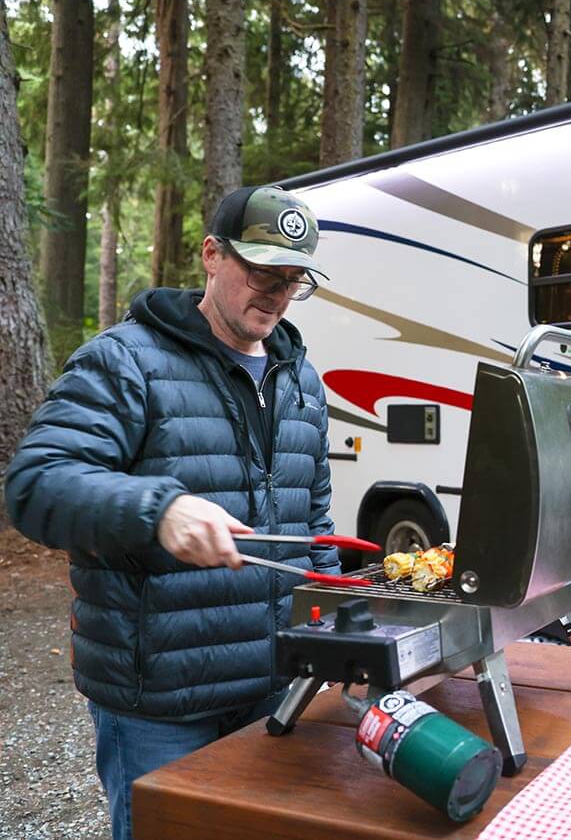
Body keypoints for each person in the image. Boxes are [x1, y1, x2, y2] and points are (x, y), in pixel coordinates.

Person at [4, 186, 339, 840]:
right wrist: (158, 509)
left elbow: (313, 527)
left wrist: (327, 635)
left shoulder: (302, 381)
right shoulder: (125, 359)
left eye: (292, 279)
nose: (274, 293)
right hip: (158, 701)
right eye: (260, 272)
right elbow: (36, 483)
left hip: (275, 687)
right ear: (211, 255)